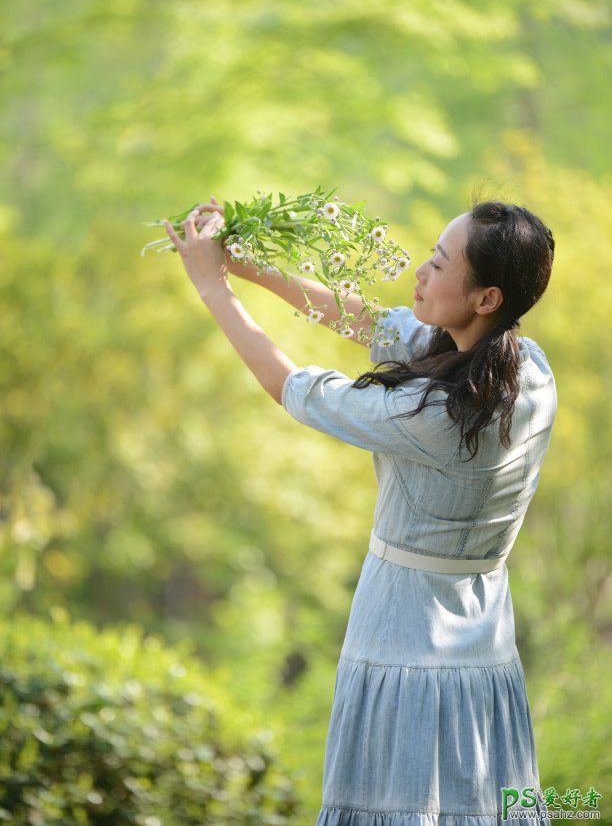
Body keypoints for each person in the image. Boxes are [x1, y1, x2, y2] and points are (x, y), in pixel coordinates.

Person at [164, 197, 557, 826]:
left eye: (438, 263)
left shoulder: (439, 416)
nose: (420, 274)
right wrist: (247, 265)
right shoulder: (528, 372)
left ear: (485, 298)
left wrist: (212, 287)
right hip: (483, 636)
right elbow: (373, 323)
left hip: (406, 633)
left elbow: (297, 390)